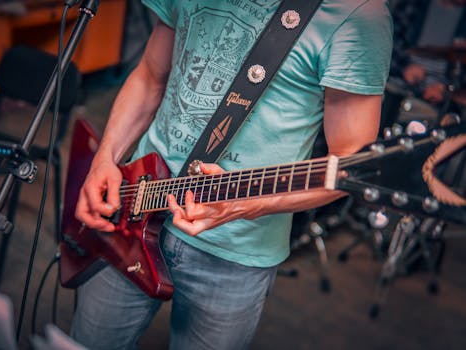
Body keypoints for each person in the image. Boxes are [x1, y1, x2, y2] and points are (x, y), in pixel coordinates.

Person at [71, 0, 393, 349]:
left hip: (235, 254)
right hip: (132, 205)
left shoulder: (357, 14)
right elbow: (150, 76)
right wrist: (105, 157)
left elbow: (349, 165)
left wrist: (243, 206)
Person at [389, 0, 466, 106]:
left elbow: (461, 70)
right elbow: (386, 42)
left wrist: (447, 89)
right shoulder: (413, 5)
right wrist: (404, 67)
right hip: (400, 83)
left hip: (440, 96)